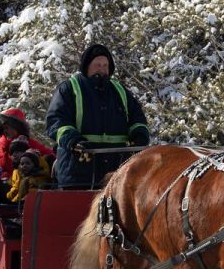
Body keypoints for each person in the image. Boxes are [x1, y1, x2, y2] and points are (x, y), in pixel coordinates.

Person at [46, 44, 150, 189]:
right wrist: (73, 140)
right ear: (87, 67)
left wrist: (139, 135)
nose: (102, 69)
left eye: (105, 65)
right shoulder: (69, 89)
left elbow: (138, 118)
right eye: (97, 65)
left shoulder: (120, 91)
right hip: (78, 171)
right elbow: (56, 121)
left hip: (116, 170)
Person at [0, 108, 55, 181]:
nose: (5, 131)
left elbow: (51, 156)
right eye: (3, 128)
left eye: (7, 128)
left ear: (17, 127)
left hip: (23, 185)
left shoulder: (28, 143)